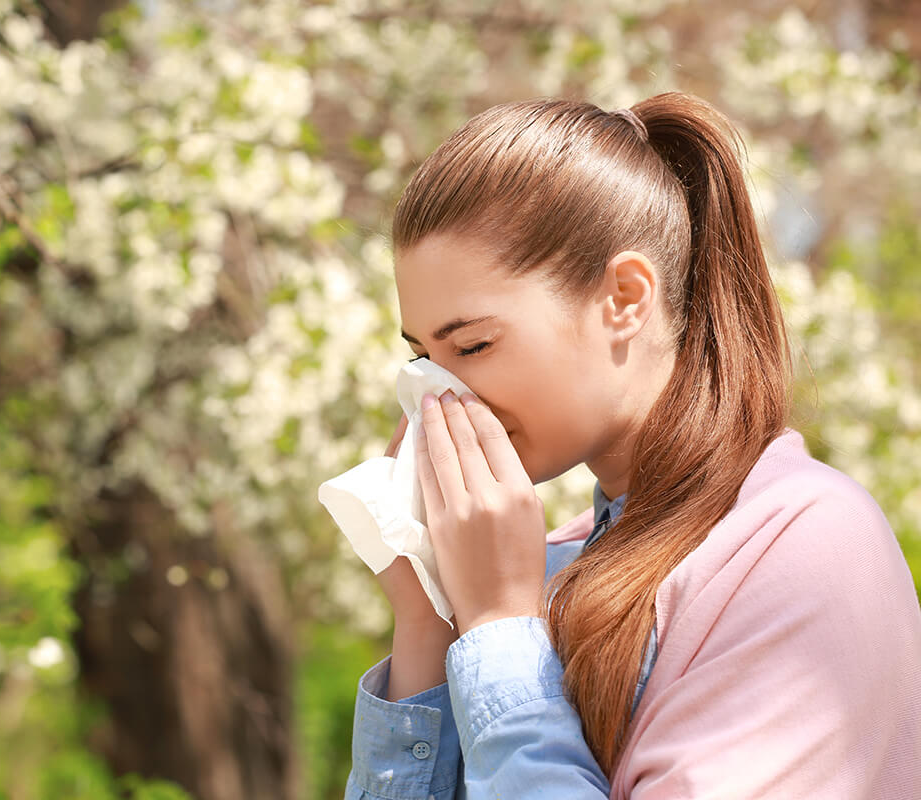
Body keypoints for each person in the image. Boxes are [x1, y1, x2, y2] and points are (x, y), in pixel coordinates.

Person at [342, 92, 921, 799]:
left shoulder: (803, 546)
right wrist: (430, 622)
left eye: (473, 345)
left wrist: (497, 628)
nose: (441, 395)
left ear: (624, 297)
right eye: (424, 357)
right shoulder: (550, 568)